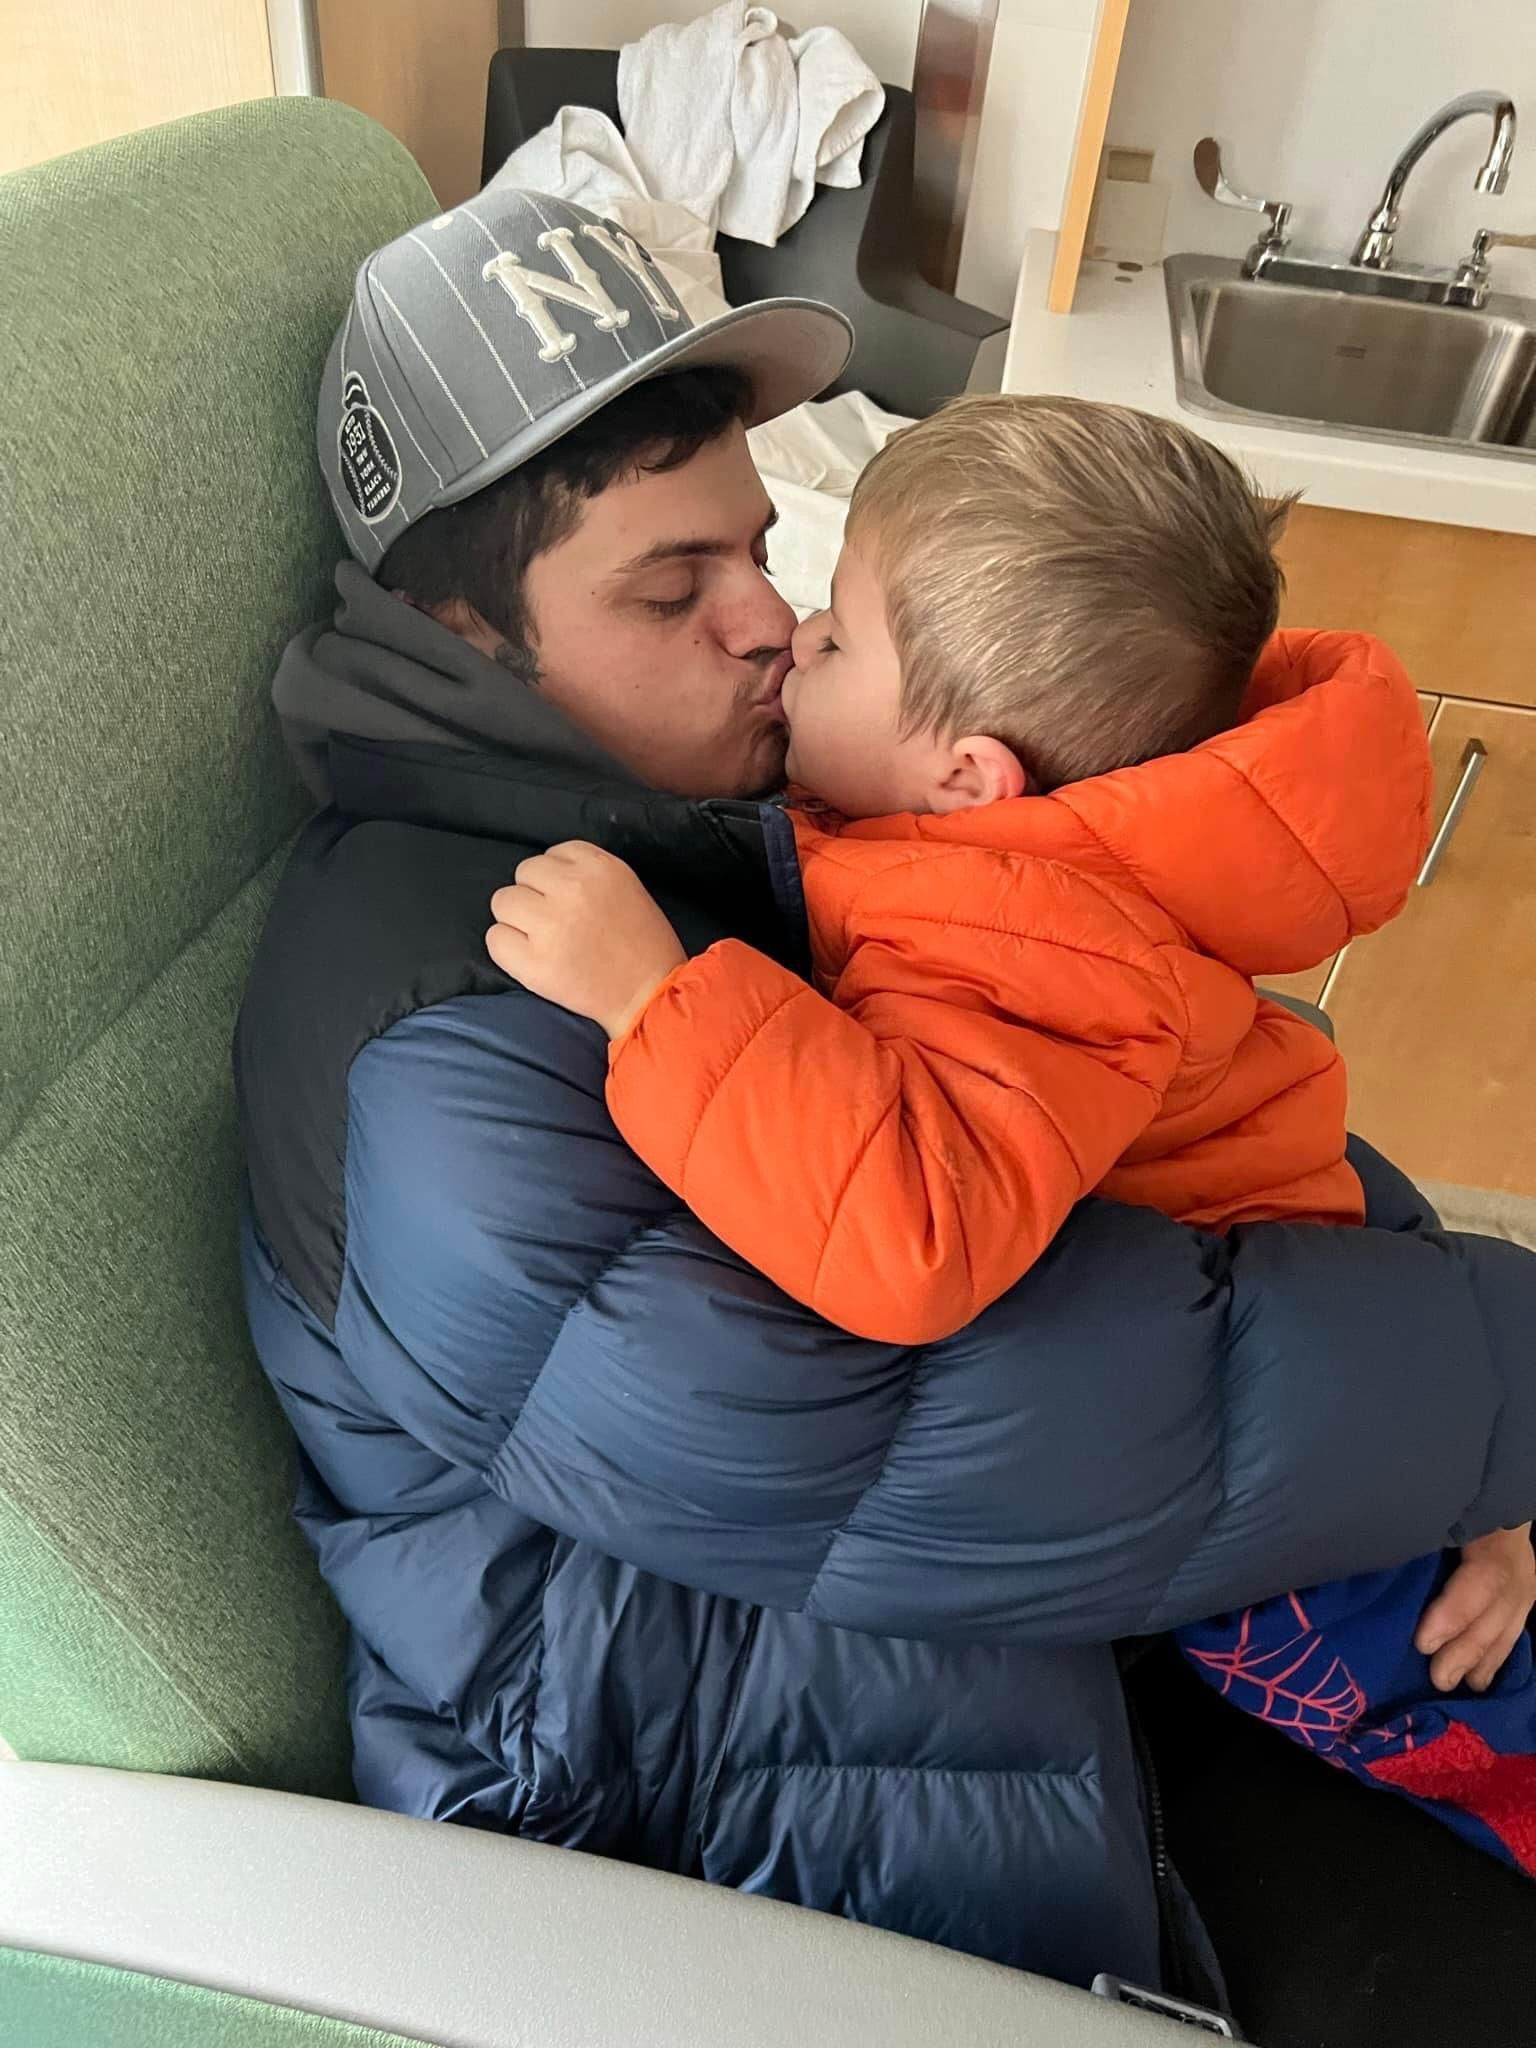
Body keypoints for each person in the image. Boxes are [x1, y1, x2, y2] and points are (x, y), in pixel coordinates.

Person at [235, 190, 1536, 2037]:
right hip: (719, 1804)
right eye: (673, 592)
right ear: (460, 625)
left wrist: (1440, 1361)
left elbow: (1158, 1089)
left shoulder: (705, 825)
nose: (771, 630)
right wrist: (1497, 1401)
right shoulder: (449, 1034)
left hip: (1002, 1650)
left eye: (766, 557)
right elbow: (928, 1433)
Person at [484, 391, 1536, 1864]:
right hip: (1326, 1329)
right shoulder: (1010, 862)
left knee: (1481, 1724)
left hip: (1322, 1514)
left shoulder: (1014, 935)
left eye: (839, 642)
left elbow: (917, 1230)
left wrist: (658, 1001)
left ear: (970, 776)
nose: (792, 635)